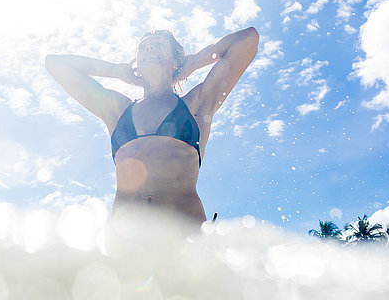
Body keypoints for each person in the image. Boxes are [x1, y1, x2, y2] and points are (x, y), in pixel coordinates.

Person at [45, 27, 258, 226]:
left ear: (175, 60)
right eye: (143, 47)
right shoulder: (117, 109)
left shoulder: (197, 104)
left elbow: (248, 39)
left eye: (157, 44)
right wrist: (115, 71)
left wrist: (192, 63)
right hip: (127, 242)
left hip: (185, 234)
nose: (149, 48)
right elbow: (55, 64)